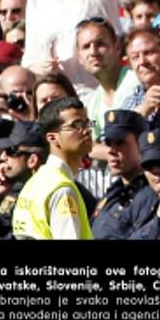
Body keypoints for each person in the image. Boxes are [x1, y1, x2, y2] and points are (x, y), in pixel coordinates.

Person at [11, 97, 95, 240]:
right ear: (52, 138)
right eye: (76, 125)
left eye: (87, 123)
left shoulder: (35, 182)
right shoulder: (62, 189)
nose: (86, 131)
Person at [90, 109, 150, 239]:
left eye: (120, 143)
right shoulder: (113, 192)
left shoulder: (150, 194)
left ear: (141, 145)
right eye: (108, 143)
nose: (111, 150)